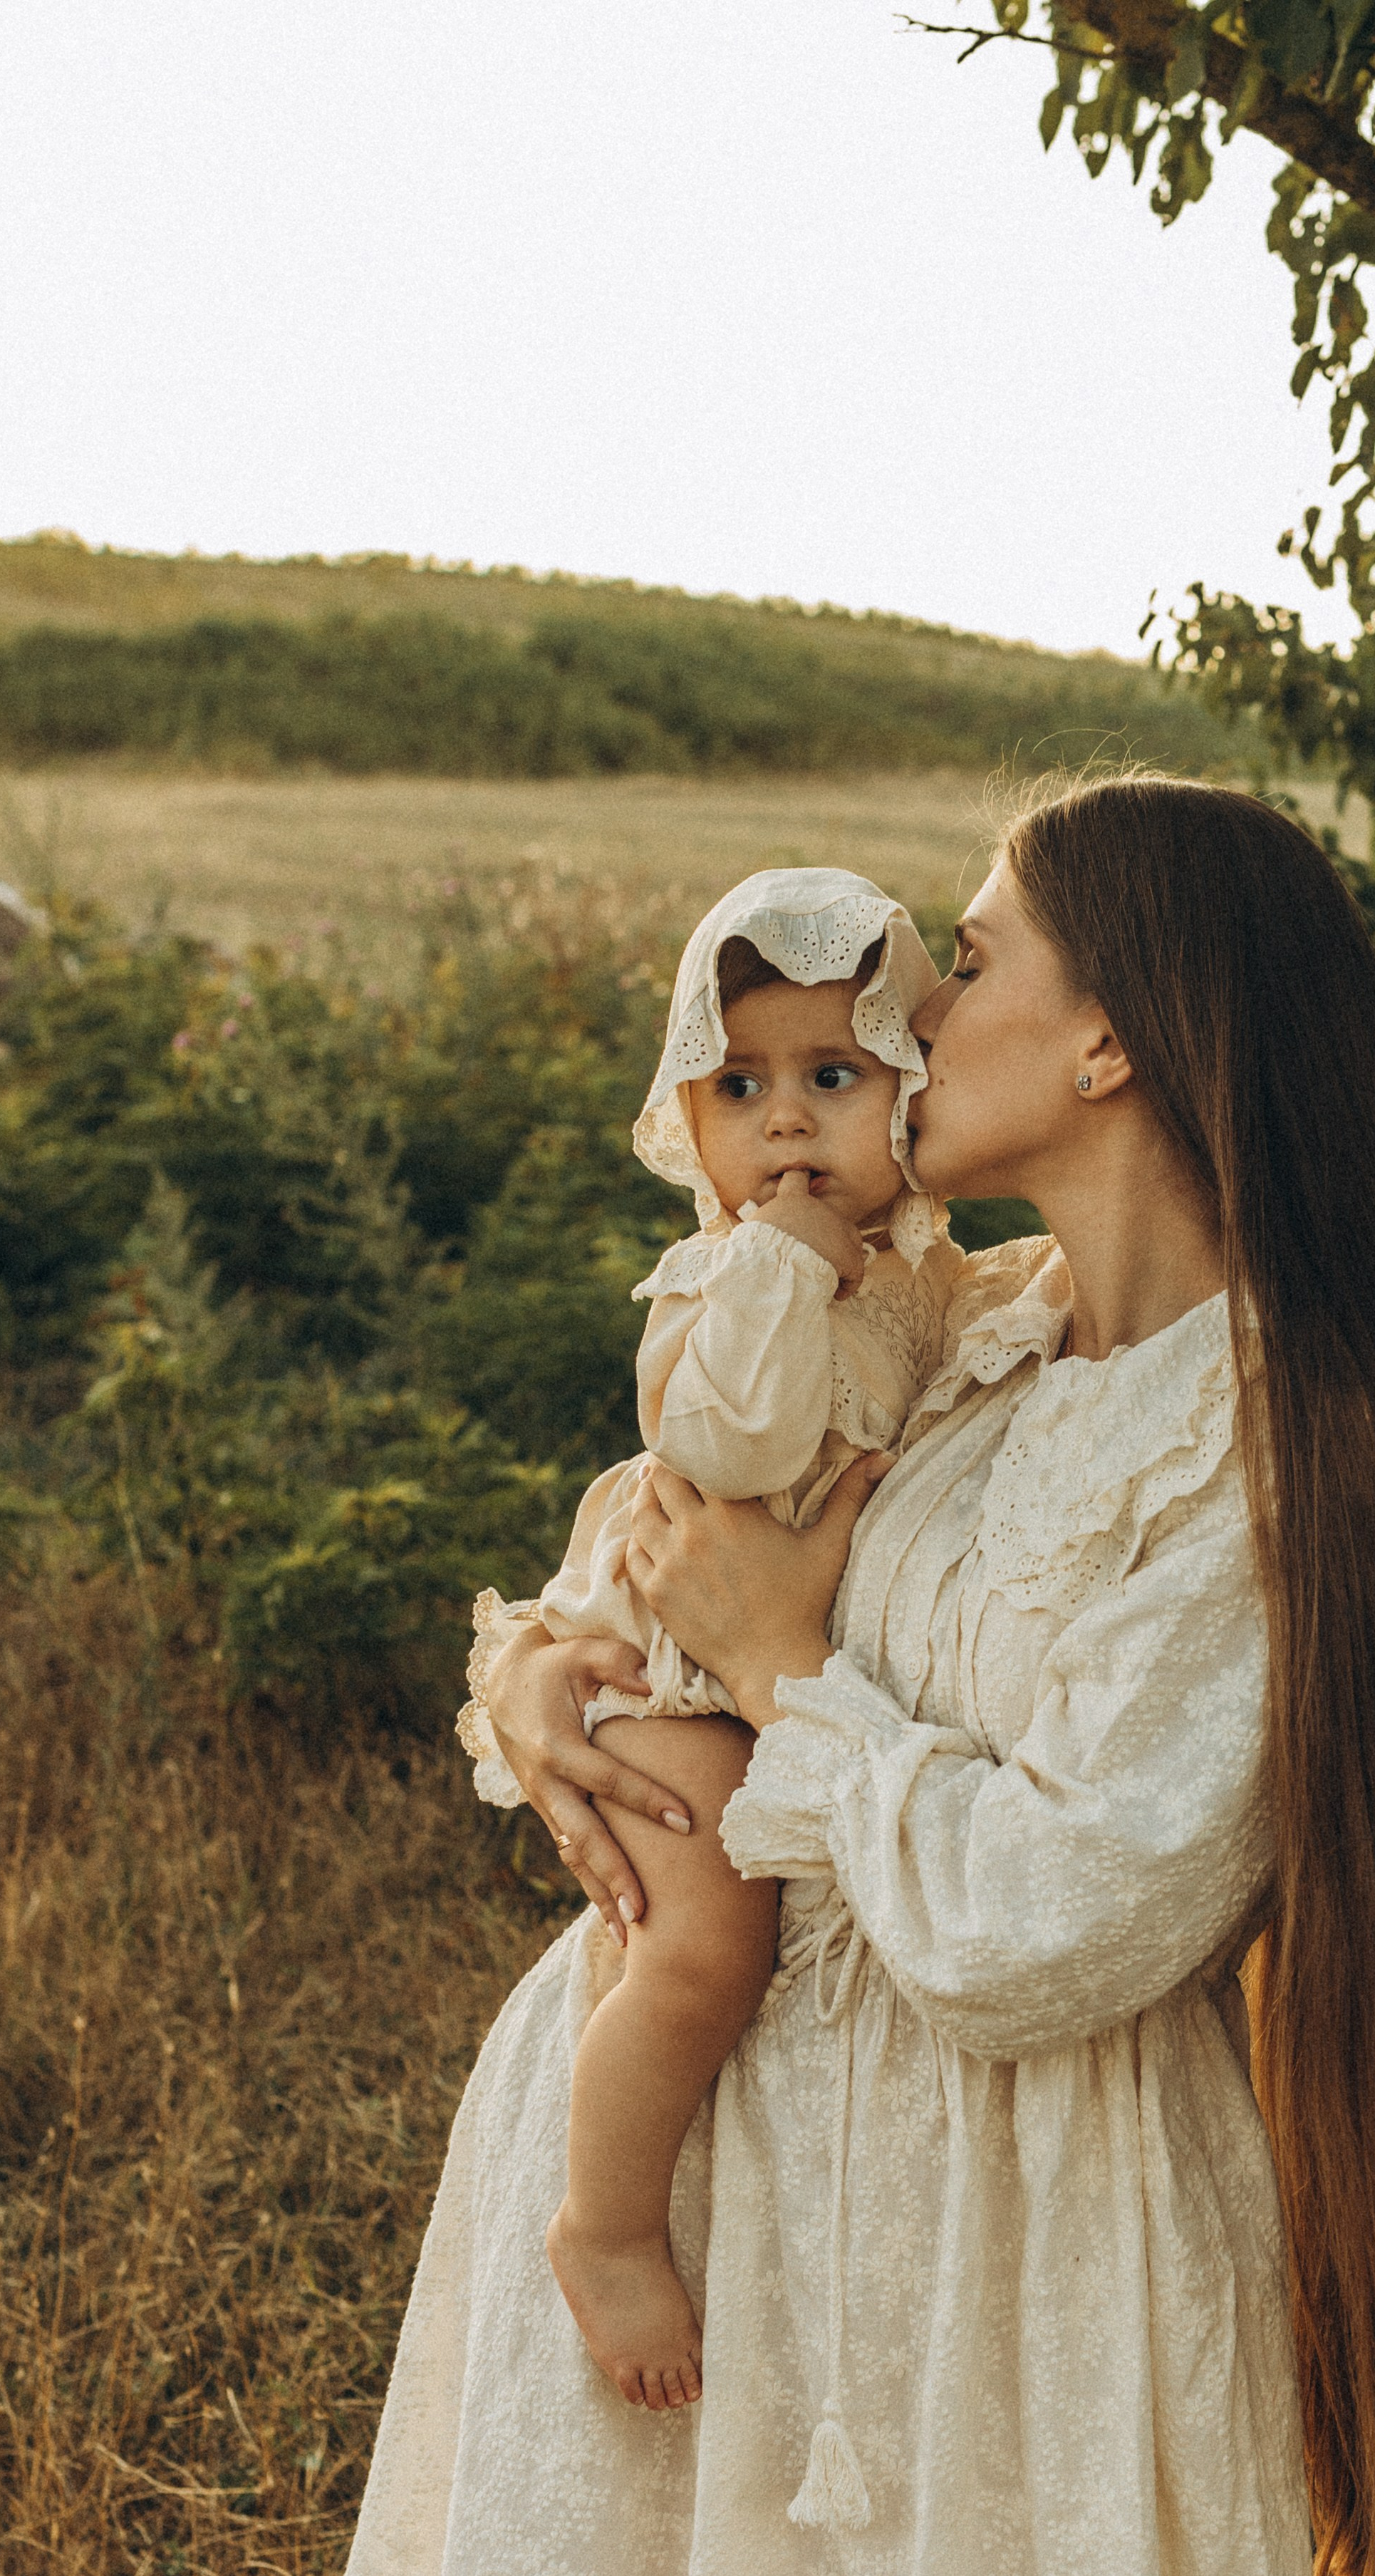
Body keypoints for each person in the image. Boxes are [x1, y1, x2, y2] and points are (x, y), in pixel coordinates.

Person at [316, 777, 1375, 2576]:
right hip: (704, 2206)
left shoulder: (1268, 1441)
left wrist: (777, 1675)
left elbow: (1054, 1914)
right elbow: (699, 1498)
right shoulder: (975, 1326)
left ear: (1112, 1037)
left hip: (1004, 2263)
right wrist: (556, 1656)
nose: (914, 1017)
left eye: (976, 953)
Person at [457, 867, 959, 2416]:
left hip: (759, 1660)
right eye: (741, 1087)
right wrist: (791, 1266)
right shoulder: (728, 1270)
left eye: (834, 1075)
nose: (788, 1123)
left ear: (911, 1085)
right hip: (669, 1656)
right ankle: (601, 2222)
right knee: (698, 1945)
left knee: (702, 1934)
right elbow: (731, 1446)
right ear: (690, 1114)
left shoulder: (928, 1280)